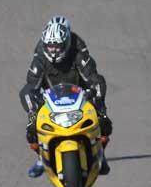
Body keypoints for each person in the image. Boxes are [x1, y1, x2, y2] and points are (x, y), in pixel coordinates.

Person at [19, 16, 113, 178]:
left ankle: (100, 154)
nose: (53, 50)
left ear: (67, 42)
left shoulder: (79, 52)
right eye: (50, 46)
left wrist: (97, 100)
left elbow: (95, 78)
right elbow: (29, 88)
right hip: (51, 97)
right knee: (32, 128)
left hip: (80, 94)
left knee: (103, 121)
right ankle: (42, 159)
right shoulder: (40, 58)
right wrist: (33, 111)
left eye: (57, 46)